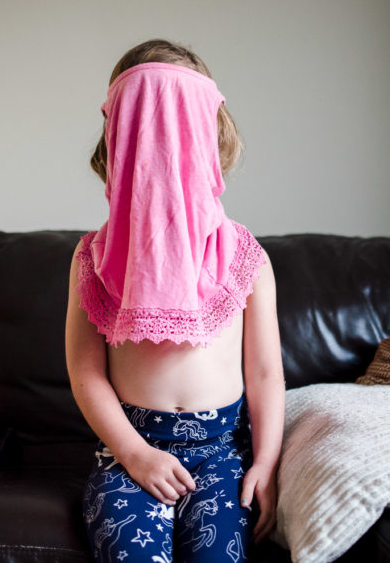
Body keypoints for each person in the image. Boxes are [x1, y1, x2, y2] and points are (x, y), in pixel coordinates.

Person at [66, 39, 285, 563]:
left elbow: (265, 374)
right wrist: (135, 454)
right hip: (128, 453)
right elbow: (85, 371)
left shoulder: (245, 258)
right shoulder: (92, 258)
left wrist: (266, 465)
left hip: (221, 459)